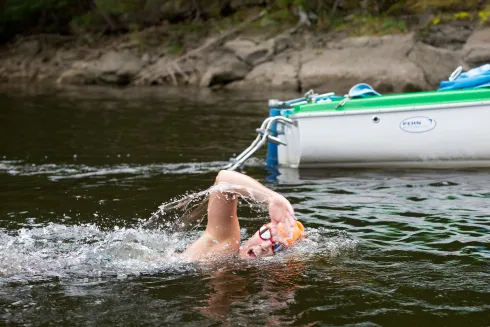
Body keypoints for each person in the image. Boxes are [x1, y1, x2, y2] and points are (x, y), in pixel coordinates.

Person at [183, 170, 305, 261]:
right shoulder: (224, 245)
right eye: (266, 234)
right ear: (258, 231)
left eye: (278, 246)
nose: (264, 245)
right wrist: (272, 198)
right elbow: (224, 179)